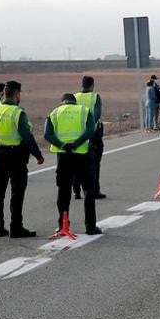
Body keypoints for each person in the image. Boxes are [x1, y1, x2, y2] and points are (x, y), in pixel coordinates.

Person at [0, 80, 44, 237]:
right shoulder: (18, 113)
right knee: (17, 194)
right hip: (16, 157)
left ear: (4, 93)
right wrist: (38, 155)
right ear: (17, 94)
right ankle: (16, 227)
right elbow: (27, 136)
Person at [44, 93, 100, 235]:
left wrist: (63, 145)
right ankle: (91, 227)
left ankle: (63, 225)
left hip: (64, 157)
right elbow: (90, 130)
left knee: (63, 191)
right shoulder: (84, 111)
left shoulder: (54, 113)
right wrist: (76, 144)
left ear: (63, 102)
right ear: (74, 102)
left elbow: (47, 134)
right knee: (88, 191)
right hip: (83, 156)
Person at [72, 75, 107, 200]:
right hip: (93, 134)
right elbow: (97, 115)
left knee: (76, 162)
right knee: (94, 164)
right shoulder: (95, 97)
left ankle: (76, 191)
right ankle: (94, 190)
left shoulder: (74, 97)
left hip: (77, 134)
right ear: (92, 85)